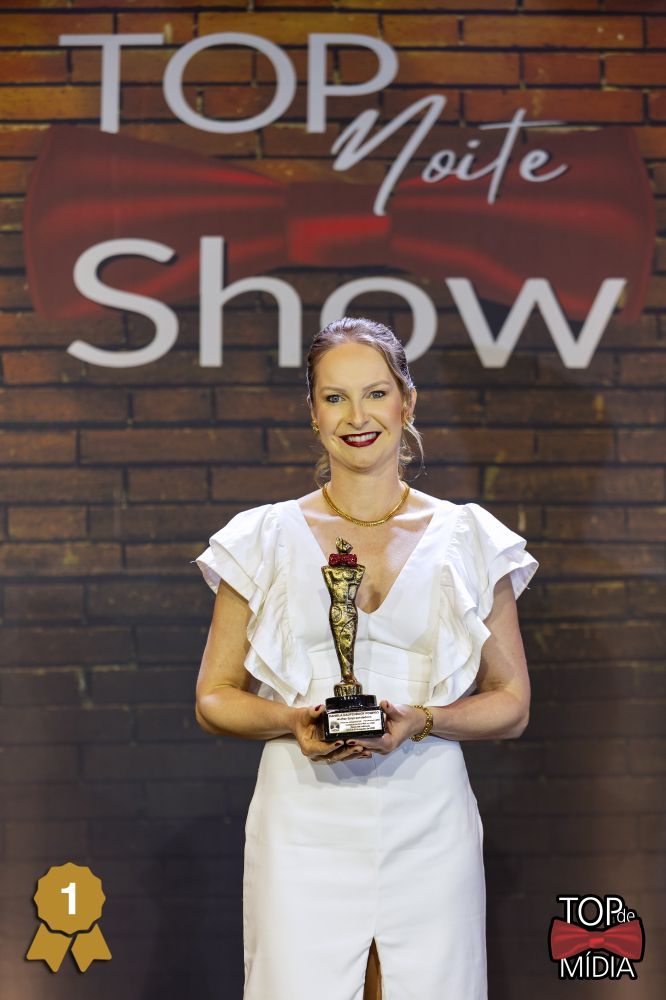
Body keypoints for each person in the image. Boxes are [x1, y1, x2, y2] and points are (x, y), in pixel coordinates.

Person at [194, 316, 538, 1000]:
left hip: (429, 821)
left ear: (407, 402)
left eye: (376, 393)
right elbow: (214, 697)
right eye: (335, 397)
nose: (357, 416)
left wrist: (422, 720)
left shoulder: (468, 537)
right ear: (313, 413)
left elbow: (512, 704)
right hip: (302, 824)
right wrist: (293, 720)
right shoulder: (263, 537)